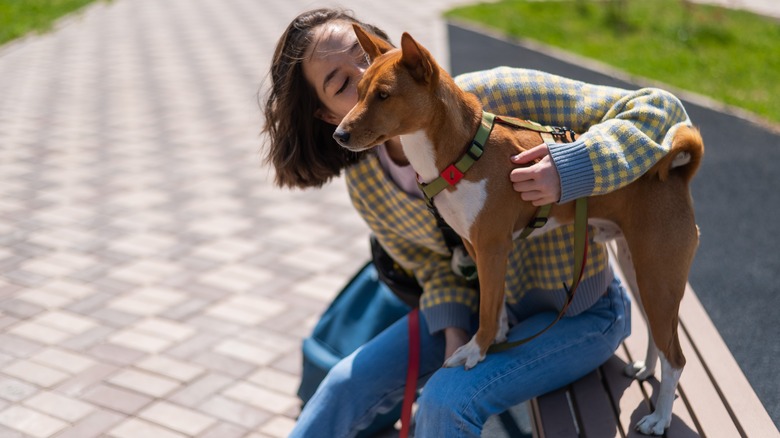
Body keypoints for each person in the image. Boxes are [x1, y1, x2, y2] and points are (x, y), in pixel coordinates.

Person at [262, 8, 691, 438]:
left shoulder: (498, 98)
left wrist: (573, 167)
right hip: (476, 311)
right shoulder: (368, 183)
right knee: (342, 386)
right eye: (341, 85)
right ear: (329, 116)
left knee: (445, 403)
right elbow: (429, 267)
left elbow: (661, 110)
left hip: (576, 310)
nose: (364, 75)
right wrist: (452, 327)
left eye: (365, 54)